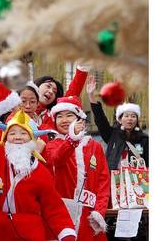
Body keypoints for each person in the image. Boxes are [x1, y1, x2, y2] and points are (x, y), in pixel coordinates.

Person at [0, 78, 76, 241]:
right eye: (12, 133)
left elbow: (54, 208)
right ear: (5, 138)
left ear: (32, 140)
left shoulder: (40, 173)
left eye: (23, 134)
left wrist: (66, 234)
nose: (17, 137)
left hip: (29, 232)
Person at [44, 96, 110, 240]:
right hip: (62, 214)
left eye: (69, 115)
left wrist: (99, 211)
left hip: (89, 216)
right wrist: (71, 140)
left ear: (80, 118)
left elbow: (103, 181)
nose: (64, 120)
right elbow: (57, 159)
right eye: (59, 116)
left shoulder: (94, 146)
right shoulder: (53, 145)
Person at [86, 76, 148, 170]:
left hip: (137, 182)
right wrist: (91, 95)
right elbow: (100, 120)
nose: (130, 119)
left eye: (133, 116)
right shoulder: (112, 135)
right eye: (126, 116)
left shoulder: (144, 139)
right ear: (120, 119)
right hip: (114, 181)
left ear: (137, 119)